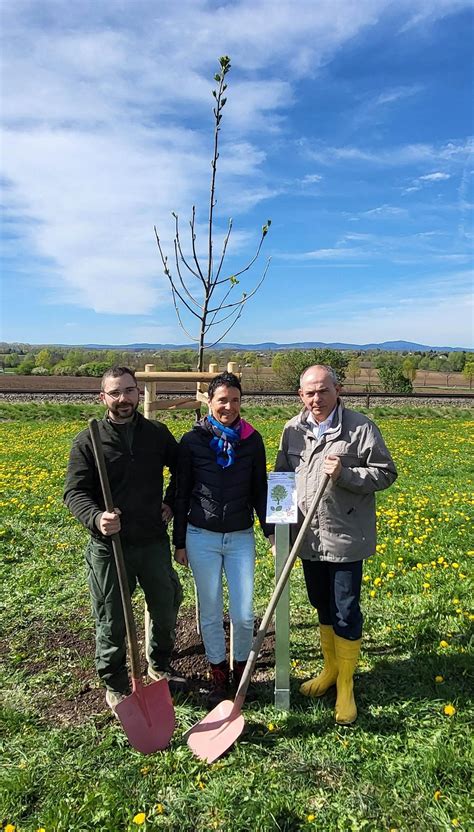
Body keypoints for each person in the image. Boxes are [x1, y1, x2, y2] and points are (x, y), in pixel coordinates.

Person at [275, 364, 397, 724]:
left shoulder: (360, 428)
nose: (316, 398)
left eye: (323, 390)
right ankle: (329, 670)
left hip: (344, 536)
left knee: (345, 608)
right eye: (309, 392)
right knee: (320, 603)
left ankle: (345, 684)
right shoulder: (292, 431)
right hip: (307, 537)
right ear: (301, 396)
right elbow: (281, 478)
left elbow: (385, 473)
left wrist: (345, 474)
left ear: (337, 390)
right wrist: (278, 531)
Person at [64, 366, 185, 713]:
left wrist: (172, 502)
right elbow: (74, 492)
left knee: (165, 602)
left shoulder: (156, 434)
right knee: (112, 615)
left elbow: (182, 470)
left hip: (151, 540)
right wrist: (96, 517)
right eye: (115, 393)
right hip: (109, 546)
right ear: (103, 397)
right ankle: (115, 682)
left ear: (138, 394)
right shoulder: (89, 440)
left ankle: (159, 664)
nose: (123, 399)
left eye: (129, 391)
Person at [173, 371, 275, 707]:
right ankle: (219, 677)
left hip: (240, 536)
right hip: (200, 536)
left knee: (244, 614)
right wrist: (180, 542)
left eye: (234, 400)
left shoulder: (252, 440)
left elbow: (261, 489)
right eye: (222, 400)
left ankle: (241, 674)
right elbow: (182, 491)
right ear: (210, 402)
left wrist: (271, 532)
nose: (228, 406)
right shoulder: (192, 442)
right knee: (212, 611)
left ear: (241, 402)